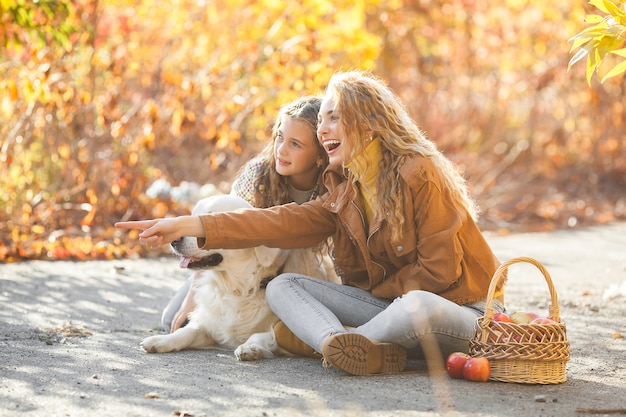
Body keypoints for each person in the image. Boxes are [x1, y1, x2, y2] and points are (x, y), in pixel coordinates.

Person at [116, 70, 505, 376]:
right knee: (284, 285)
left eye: (334, 118)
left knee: (418, 302)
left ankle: (333, 343)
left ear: (368, 124)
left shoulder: (421, 172)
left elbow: (438, 274)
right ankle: (347, 347)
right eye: (322, 120)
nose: (323, 129)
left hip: (458, 314)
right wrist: (191, 226)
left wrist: (381, 295)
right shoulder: (344, 190)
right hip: (390, 316)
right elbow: (278, 223)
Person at [161, 95, 333, 334]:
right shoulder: (257, 176)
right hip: (243, 275)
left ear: (319, 155)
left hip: (301, 276)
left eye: (295, 144)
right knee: (173, 319)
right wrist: (193, 297)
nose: (281, 150)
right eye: (280, 137)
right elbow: (219, 232)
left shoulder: (331, 185)